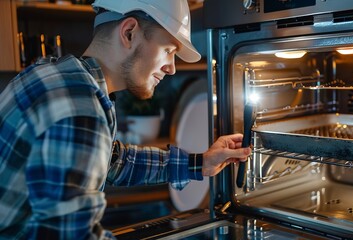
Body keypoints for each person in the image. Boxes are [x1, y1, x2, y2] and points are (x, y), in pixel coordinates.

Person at [0, 0, 251, 239]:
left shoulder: (64, 79)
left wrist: (201, 163)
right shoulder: (79, 107)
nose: (172, 67)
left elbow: (113, 161)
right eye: (168, 50)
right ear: (129, 32)